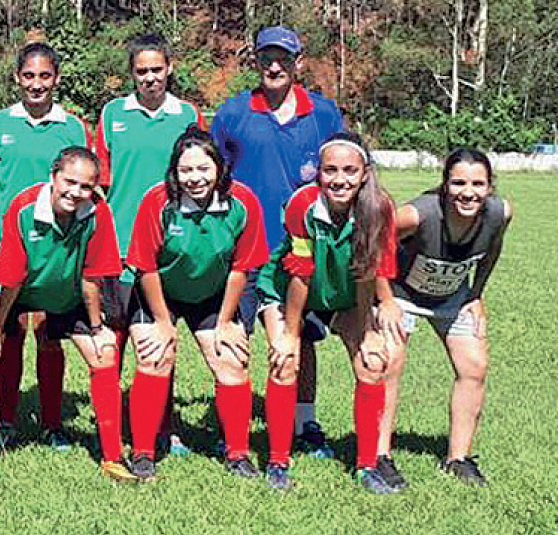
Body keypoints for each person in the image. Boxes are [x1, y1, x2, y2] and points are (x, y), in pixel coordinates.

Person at [211, 26, 347, 457]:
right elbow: (212, 176)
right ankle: (230, 426)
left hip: (303, 249)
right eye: (266, 57)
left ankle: (304, 423)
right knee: (236, 334)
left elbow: (343, 172)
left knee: (301, 336)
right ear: (255, 61)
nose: (275, 66)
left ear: (298, 62)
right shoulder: (233, 114)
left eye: (283, 58)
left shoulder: (324, 114)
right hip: (244, 250)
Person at [0, 147, 129, 482]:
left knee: (104, 353)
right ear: (53, 176)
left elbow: (92, 277)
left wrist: (97, 329)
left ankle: (113, 456)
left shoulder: (97, 213)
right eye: (69, 182)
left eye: (86, 186)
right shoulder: (23, 208)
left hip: (66, 288)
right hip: (11, 287)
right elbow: (12, 277)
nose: (76, 192)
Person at [253, 133, 399, 493]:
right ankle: (277, 461)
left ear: (365, 173)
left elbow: (368, 272)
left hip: (342, 294)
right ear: (318, 173)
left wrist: (367, 331)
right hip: (285, 290)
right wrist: (289, 332)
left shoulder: (379, 207)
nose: (339, 179)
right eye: (330, 170)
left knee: (372, 362)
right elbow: (300, 274)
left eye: (350, 170)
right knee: (285, 361)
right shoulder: (303, 204)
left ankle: (367, 467)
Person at [121, 127, 268, 481]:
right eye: (186, 170)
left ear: (219, 167)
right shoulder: (157, 202)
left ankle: (237, 453)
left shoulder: (242, 202)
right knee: (156, 354)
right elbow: (146, 266)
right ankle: (142, 452)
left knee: (230, 360)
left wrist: (225, 322)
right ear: (174, 171)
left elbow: (241, 268)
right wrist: (161, 322)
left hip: (214, 293)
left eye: (203, 169)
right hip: (159, 291)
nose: (195, 178)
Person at [0, 42, 92, 452]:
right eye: (28, 76)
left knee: (48, 334)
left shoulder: (73, 128)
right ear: (17, 78)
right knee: (5, 335)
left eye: (44, 76)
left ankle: (52, 422)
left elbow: (82, 187)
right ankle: (6, 419)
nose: (36, 84)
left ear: (56, 78)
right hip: (3, 247)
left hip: (53, 250)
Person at [92, 33, 208, 456]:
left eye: (156, 69)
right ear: (132, 74)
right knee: (114, 339)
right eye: (141, 71)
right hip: (119, 246)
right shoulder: (112, 114)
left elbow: (199, 174)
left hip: (167, 251)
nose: (150, 78)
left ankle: (163, 427)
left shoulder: (187, 114)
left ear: (169, 69)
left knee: (161, 337)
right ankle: (107, 427)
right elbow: (100, 184)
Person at [378, 149, 511, 488]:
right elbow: (376, 243)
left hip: (452, 296)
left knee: (474, 366)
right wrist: (385, 300)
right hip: (402, 295)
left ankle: (458, 458)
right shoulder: (417, 215)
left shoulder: (500, 213)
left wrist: (477, 293)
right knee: (390, 361)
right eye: (458, 183)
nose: (468, 192)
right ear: (444, 185)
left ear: (490, 186)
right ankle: (380, 456)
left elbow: (492, 249)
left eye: (478, 184)